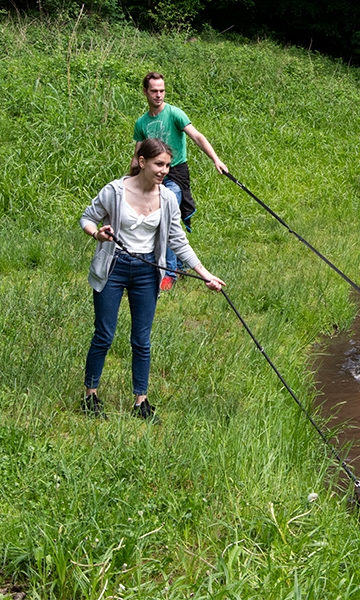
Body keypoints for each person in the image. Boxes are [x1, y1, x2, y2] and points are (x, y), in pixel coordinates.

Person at [81, 138, 226, 421]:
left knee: (142, 340)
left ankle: (141, 402)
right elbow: (88, 217)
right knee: (104, 335)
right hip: (114, 267)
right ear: (142, 162)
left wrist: (206, 275)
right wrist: (97, 233)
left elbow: (178, 241)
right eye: (159, 164)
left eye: (168, 165)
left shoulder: (168, 198)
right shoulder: (115, 191)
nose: (164, 170)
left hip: (147, 271)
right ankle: (90, 395)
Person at [132, 71, 228, 291]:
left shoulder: (175, 114)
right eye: (154, 91)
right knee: (156, 218)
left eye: (162, 90)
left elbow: (197, 136)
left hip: (175, 173)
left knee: (167, 212)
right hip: (152, 176)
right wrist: (129, 180)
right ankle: (182, 262)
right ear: (145, 92)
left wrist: (216, 160)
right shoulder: (142, 122)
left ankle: (170, 273)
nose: (158, 95)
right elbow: (138, 156)